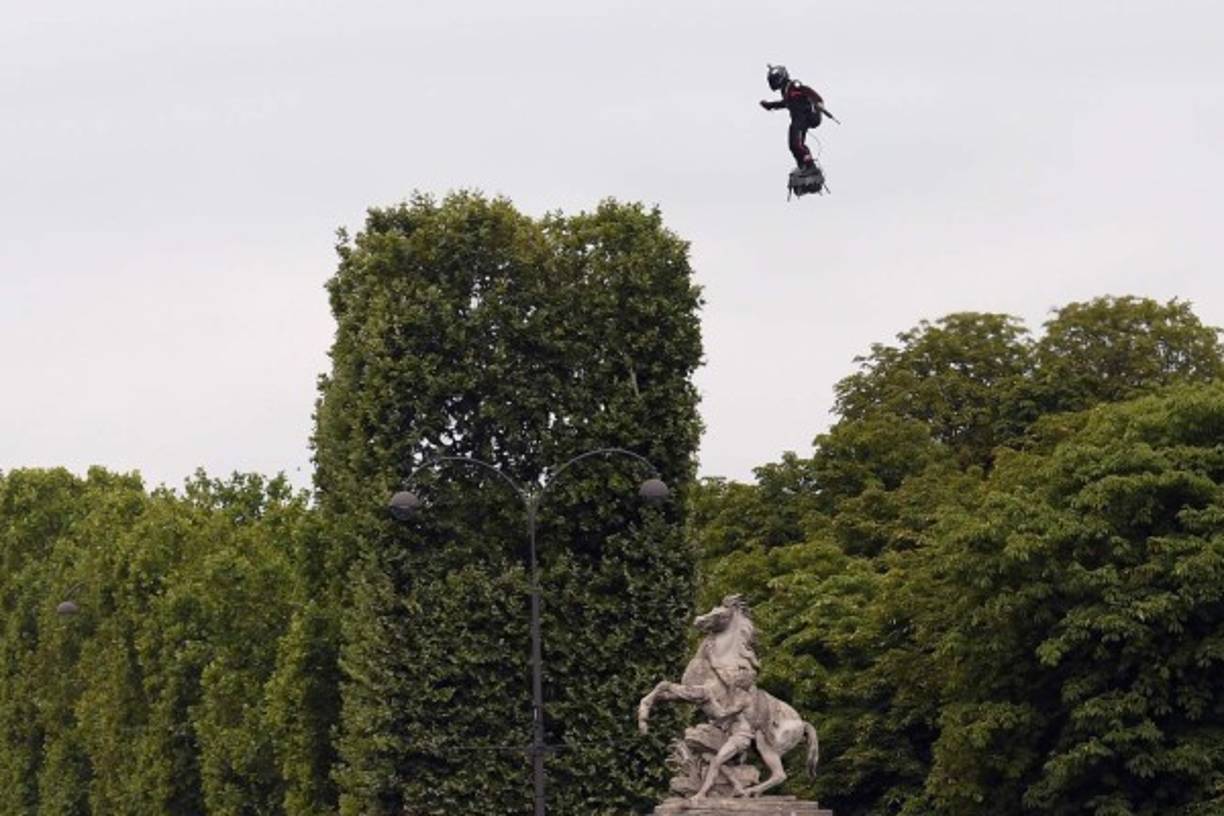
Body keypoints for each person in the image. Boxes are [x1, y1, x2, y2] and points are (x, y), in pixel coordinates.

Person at [759, 64, 826, 170]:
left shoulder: (794, 86)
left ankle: (809, 164)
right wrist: (770, 105)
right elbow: (786, 103)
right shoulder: (785, 91)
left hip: (805, 117)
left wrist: (818, 103)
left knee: (796, 144)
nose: (774, 83)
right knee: (794, 145)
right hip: (799, 119)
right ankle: (803, 164)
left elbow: (808, 91)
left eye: (775, 80)